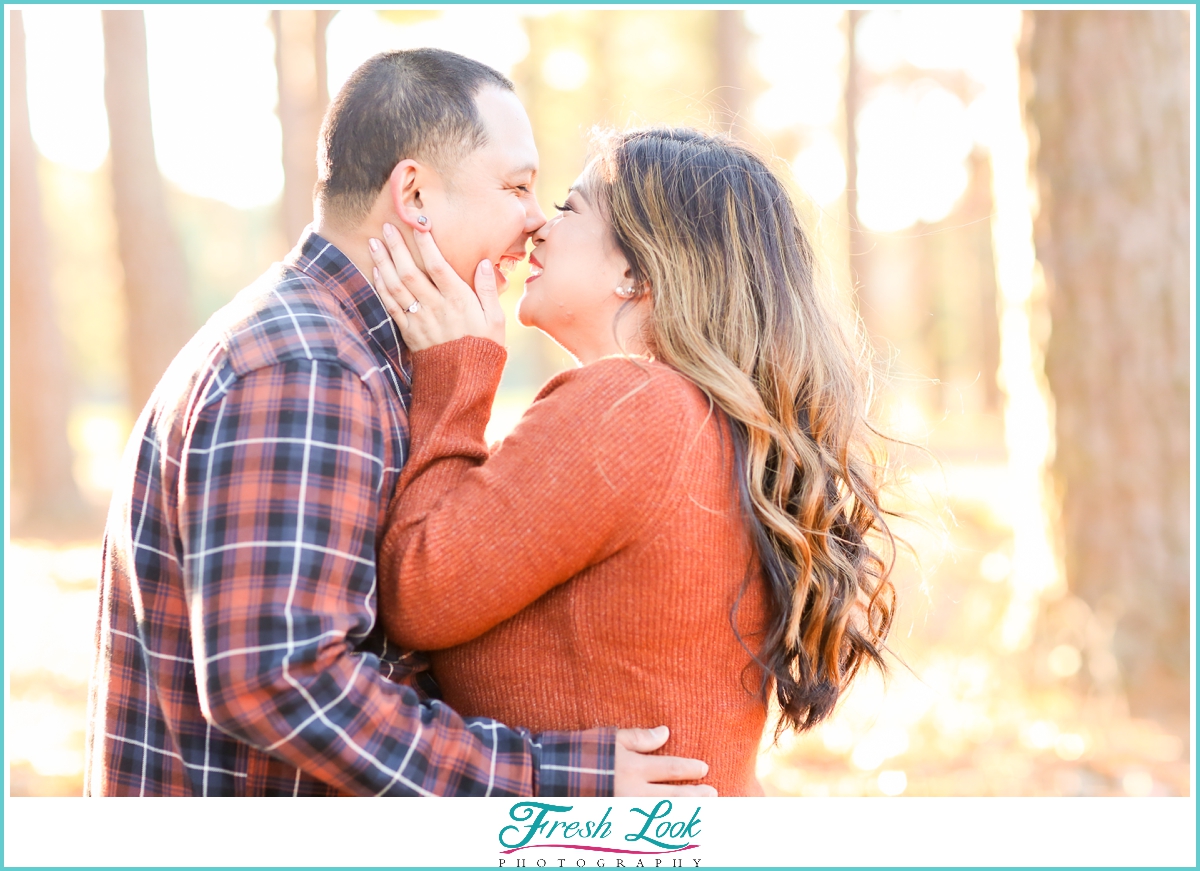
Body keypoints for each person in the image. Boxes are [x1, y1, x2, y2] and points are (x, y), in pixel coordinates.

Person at [84, 49, 714, 797]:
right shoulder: (307, 367)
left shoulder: (348, 354)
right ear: (413, 193)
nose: (537, 219)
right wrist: (544, 778)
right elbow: (281, 677)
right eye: (516, 186)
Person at [367, 127, 897, 796]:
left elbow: (416, 590)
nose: (538, 229)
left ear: (636, 271)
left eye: (571, 208)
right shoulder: (689, 414)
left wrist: (455, 373)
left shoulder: (632, 406)